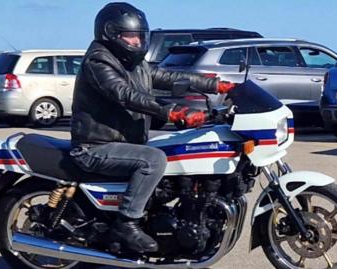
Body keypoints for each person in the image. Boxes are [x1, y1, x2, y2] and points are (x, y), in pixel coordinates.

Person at [70, 2, 236, 253]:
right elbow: (124, 94)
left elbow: (168, 78)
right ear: (111, 34)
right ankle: (126, 224)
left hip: (123, 142)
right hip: (95, 147)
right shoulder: (99, 62)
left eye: (140, 36)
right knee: (153, 160)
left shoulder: (133, 63)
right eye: (131, 36)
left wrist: (215, 85)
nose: (137, 42)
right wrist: (171, 111)